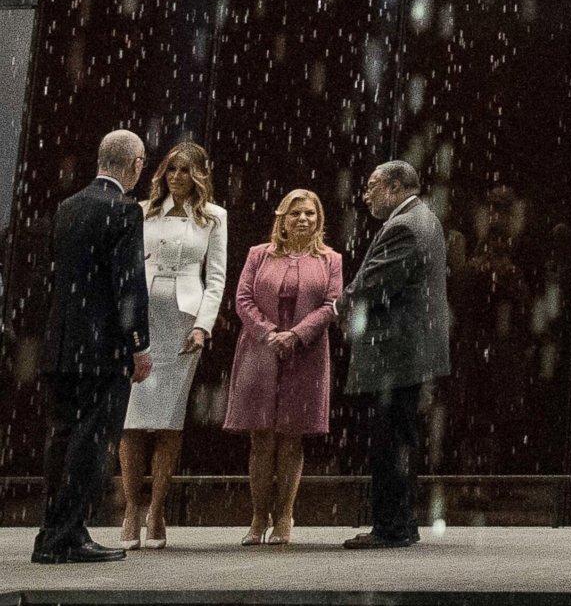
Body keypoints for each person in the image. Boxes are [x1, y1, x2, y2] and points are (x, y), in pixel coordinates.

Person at [31, 130, 151, 566]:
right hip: (101, 352)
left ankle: (51, 531)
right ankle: (68, 534)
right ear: (136, 163)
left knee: (61, 439)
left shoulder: (68, 207)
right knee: (91, 442)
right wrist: (139, 344)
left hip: (61, 346)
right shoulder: (124, 211)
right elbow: (128, 287)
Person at [117, 142, 228, 551]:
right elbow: (128, 269)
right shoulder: (141, 210)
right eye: (170, 171)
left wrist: (203, 326)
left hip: (183, 322)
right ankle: (131, 508)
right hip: (143, 321)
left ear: (198, 174)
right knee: (131, 420)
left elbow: (215, 278)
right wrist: (124, 322)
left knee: (168, 421)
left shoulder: (215, 218)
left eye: (184, 171)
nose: (176, 177)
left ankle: (157, 510)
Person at [339, 160, 450, 550]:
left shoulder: (404, 226)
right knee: (400, 439)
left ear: (398, 187)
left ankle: (391, 526)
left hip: (395, 353)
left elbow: (373, 284)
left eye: (372, 186)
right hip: (409, 351)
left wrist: (334, 306)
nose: (365, 194)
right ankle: (402, 522)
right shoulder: (424, 219)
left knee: (390, 442)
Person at [223, 189, 343, 546]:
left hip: (306, 353)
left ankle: (285, 517)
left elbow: (331, 304)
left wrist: (297, 334)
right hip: (260, 352)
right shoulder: (258, 255)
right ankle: (259, 517)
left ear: (319, 219)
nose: (303, 219)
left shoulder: (330, 259)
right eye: (296, 214)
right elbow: (242, 299)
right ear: (283, 219)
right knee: (260, 438)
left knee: (292, 438)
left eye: (309, 213)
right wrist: (269, 332)